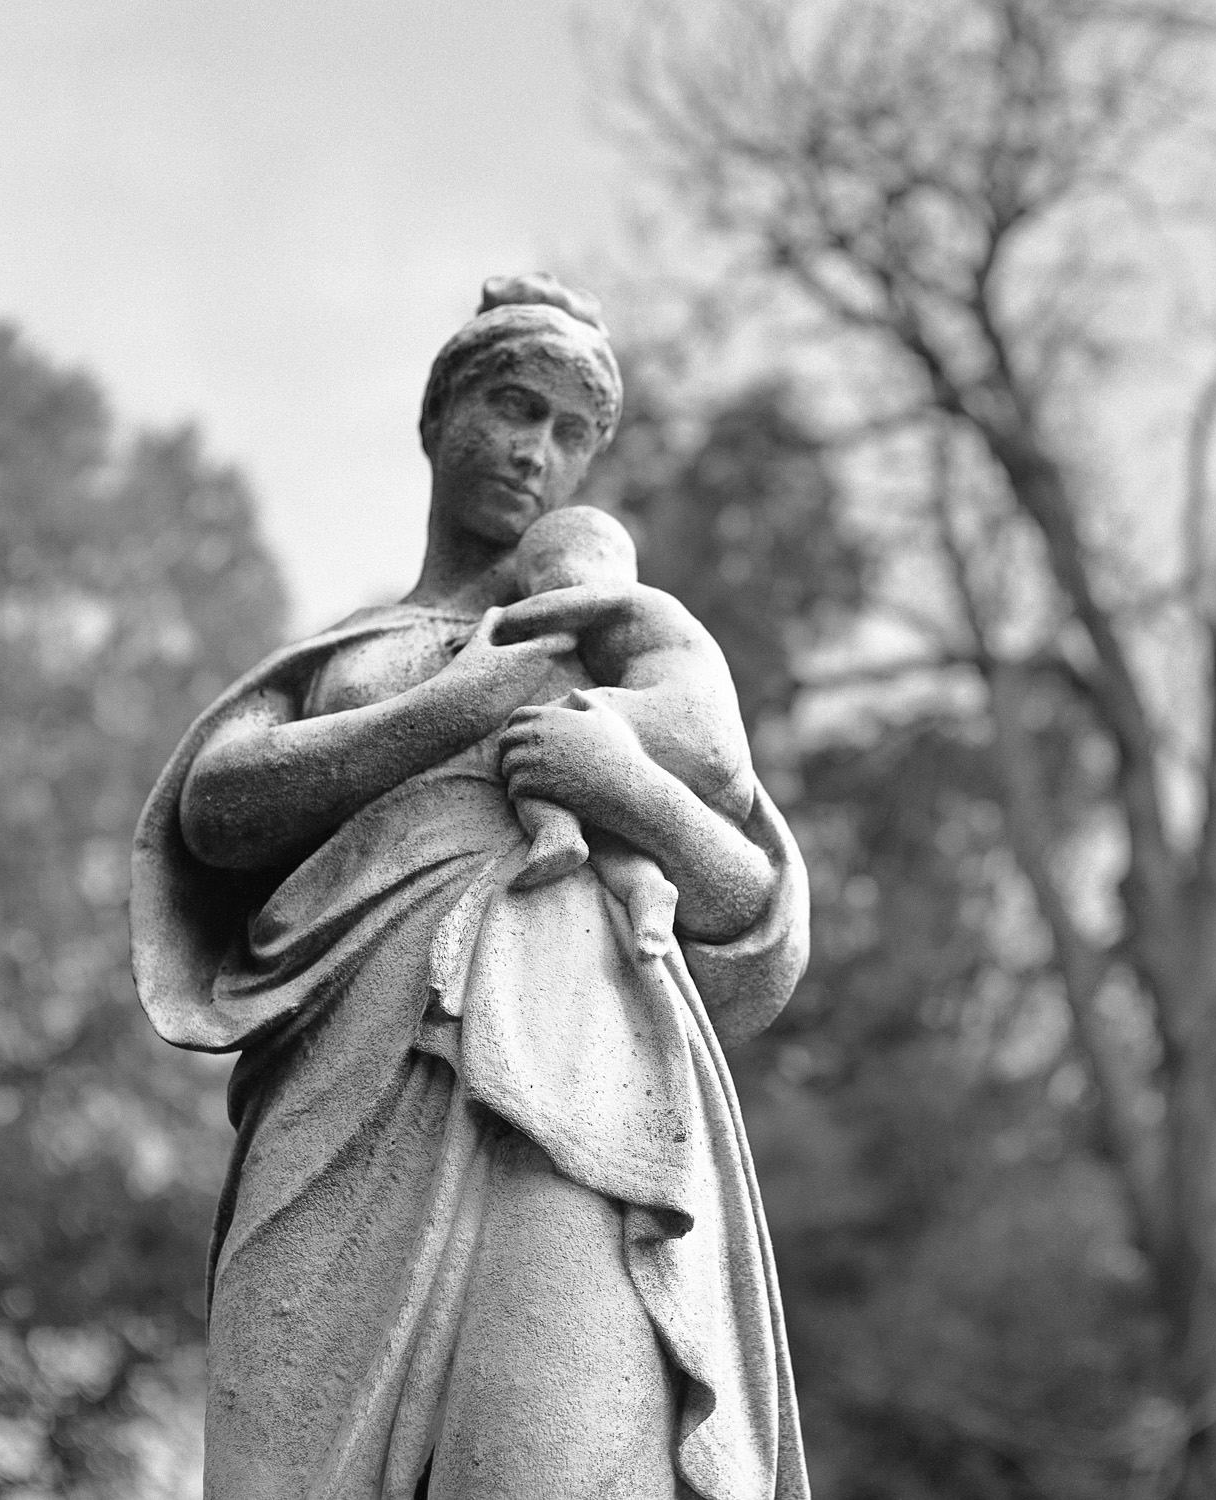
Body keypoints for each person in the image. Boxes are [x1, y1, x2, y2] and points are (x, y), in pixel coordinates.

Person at [129, 275, 811, 1500]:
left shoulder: (613, 635)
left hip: (570, 1056)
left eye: (570, 433)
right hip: (339, 1077)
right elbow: (219, 809)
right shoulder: (351, 655)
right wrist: (468, 696)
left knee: (552, 1457)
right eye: (512, 407)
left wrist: (628, 788)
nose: (534, 453)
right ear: (439, 416)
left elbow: (740, 872)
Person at [502, 503, 755, 959]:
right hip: (716, 768)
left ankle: (555, 829)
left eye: (542, 568)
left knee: (536, 732)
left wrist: (503, 623)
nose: (537, 586)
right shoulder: (653, 627)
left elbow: (561, 607)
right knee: (608, 828)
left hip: (678, 717)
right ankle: (647, 890)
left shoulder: (639, 602)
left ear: (599, 557)